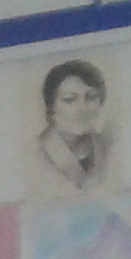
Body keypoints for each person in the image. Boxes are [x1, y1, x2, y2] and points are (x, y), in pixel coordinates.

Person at [33, 58, 113, 192]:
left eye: (91, 97)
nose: (83, 108)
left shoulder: (107, 148)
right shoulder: (36, 153)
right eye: (70, 100)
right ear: (51, 109)